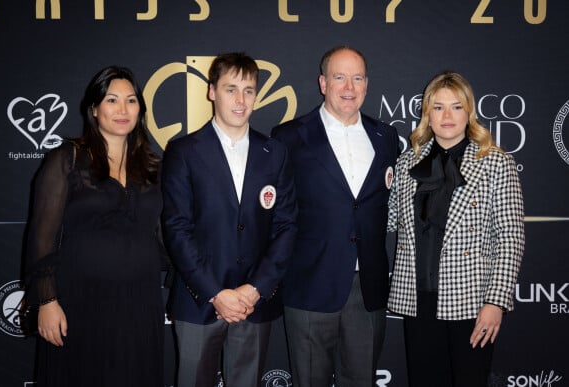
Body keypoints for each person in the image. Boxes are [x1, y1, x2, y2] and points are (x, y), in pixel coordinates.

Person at [161, 52, 298, 387]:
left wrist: (255, 289)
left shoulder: (275, 152)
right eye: (231, 89)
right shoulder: (183, 152)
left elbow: (286, 226)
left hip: (254, 304)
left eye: (249, 90)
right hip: (199, 301)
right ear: (212, 91)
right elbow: (177, 228)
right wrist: (215, 293)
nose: (240, 100)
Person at [24, 66, 167, 386]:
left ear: (140, 109)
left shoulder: (152, 166)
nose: (122, 109)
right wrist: (47, 301)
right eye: (112, 100)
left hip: (140, 303)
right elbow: (41, 237)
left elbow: (163, 233)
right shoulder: (68, 158)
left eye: (131, 101)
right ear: (94, 108)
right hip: (80, 302)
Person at [387, 71, 524, 387]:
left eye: (456, 107)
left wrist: (496, 301)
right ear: (427, 114)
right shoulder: (409, 162)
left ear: (469, 112)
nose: (447, 116)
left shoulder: (495, 163)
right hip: (417, 300)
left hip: (472, 302)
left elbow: (510, 237)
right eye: (438, 107)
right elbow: (390, 219)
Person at [271, 46, 399, 387]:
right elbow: (277, 215)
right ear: (323, 83)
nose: (349, 87)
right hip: (309, 285)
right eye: (339, 77)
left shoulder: (386, 138)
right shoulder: (288, 137)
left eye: (357, 78)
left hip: (368, 288)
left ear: (367, 84)